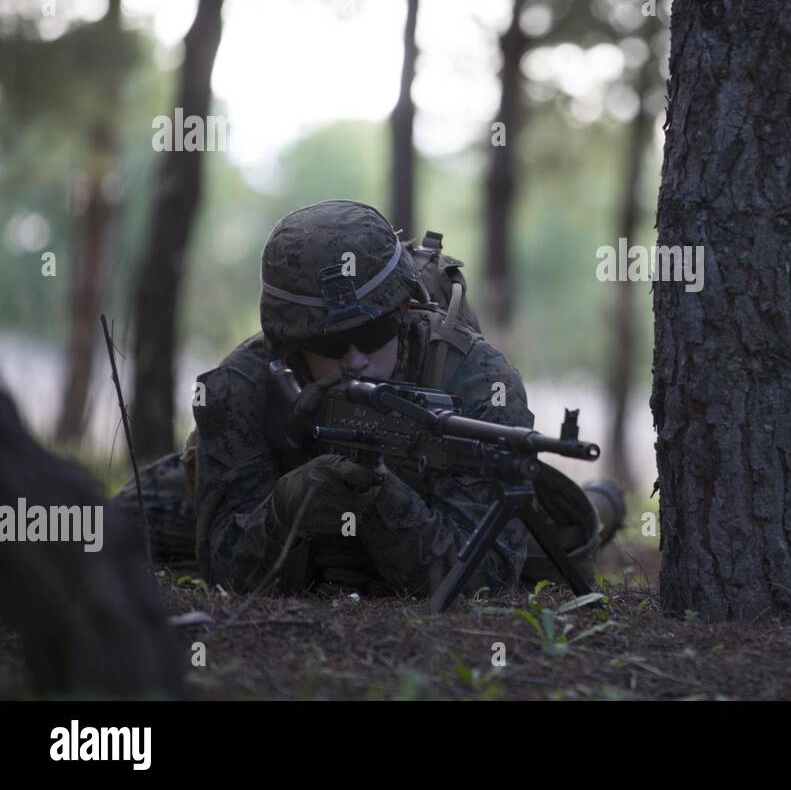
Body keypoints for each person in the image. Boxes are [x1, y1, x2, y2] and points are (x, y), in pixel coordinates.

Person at [114, 199, 624, 599]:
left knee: (563, 533)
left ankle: (604, 503)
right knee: (107, 529)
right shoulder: (244, 385)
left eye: (375, 332)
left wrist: (379, 497)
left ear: (403, 312)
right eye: (330, 345)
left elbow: (481, 577)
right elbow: (227, 571)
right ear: (290, 343)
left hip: (437, 507)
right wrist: (292, 503)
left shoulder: (477, 381)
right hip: (275, 484)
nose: (355, 359)